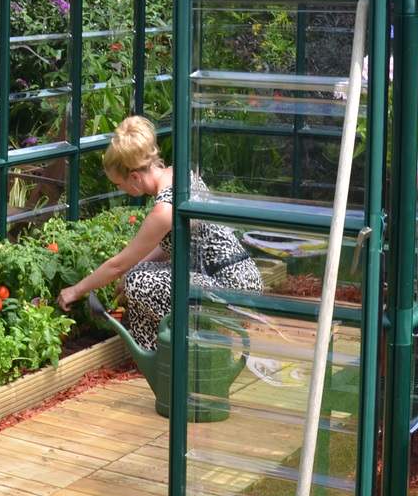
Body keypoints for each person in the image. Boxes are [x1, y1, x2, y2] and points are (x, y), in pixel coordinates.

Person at [57, 115, 263, 350]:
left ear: (134, 177)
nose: (121, 190)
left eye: (119, 184)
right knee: (137, 274)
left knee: (136, 281)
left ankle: (187, 349)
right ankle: (154, 354)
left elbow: (118, 265)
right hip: (238, 277)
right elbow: (167, 246)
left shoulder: (164, 209)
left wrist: (76, 290)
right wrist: (133, 269)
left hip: (228, 287)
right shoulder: (181, 176)